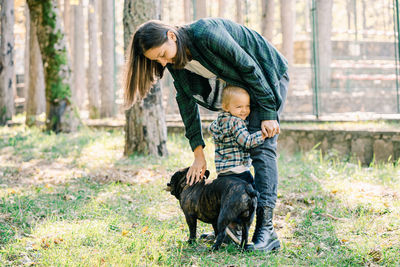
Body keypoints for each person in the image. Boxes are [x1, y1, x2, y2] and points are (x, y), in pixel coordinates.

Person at [124, 17, 289, 252]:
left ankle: (266, 230)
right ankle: (234, 226)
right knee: (234, 146)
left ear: (171, 35)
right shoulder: (174, 60)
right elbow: (186, 102)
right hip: (241, 86)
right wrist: (198, 154)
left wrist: (269, 111)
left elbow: (249, 66)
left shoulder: (205, 34)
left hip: (265, 75)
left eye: (162, 54)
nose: (162, 63)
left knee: (261, 149)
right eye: (156, 60)